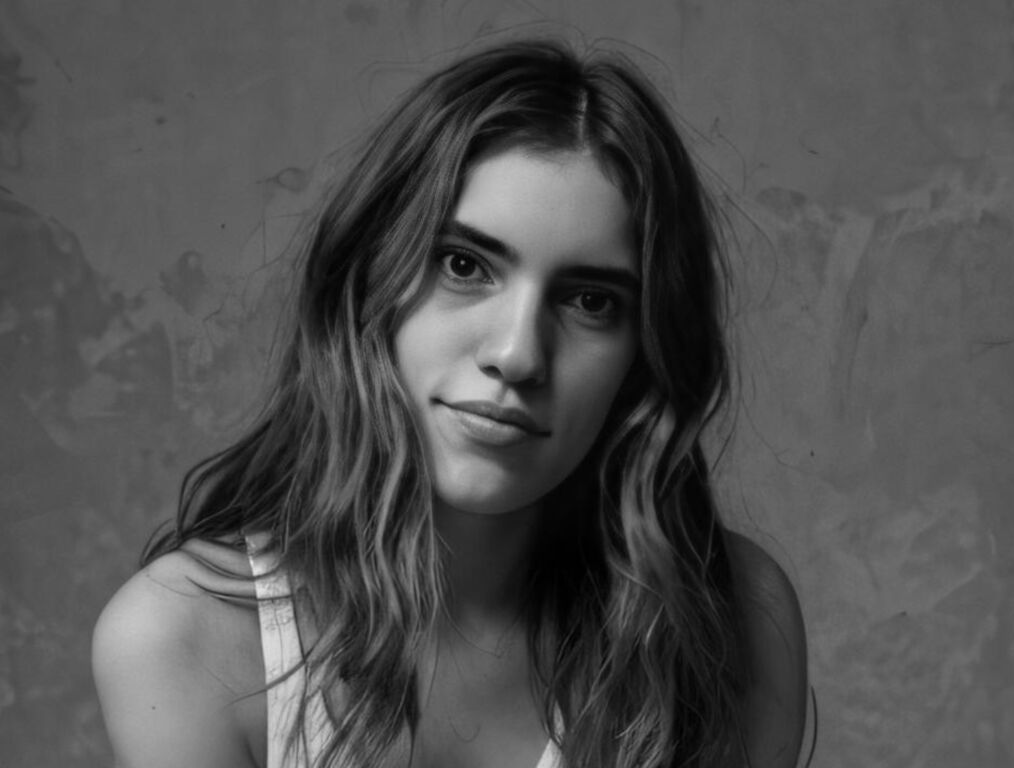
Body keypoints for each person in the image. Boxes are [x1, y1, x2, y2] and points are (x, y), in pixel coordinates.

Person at [92, 38, 808, 768]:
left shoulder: (736, 620)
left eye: (591, 301)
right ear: (370, 282)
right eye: (464, 265)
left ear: (646, 352)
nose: (518, 355)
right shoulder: (185, 640)